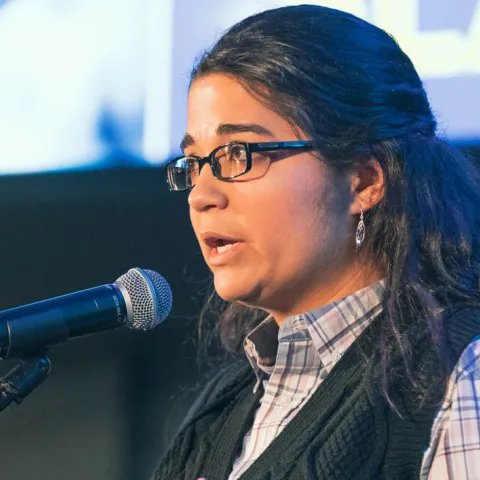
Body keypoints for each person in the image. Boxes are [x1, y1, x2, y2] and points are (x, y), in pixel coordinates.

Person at [155, 4, 480, 479]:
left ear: (364, 180)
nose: (202, 195)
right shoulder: (218, 414)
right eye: (194, 163)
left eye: (238, 154)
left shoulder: (458, 372)